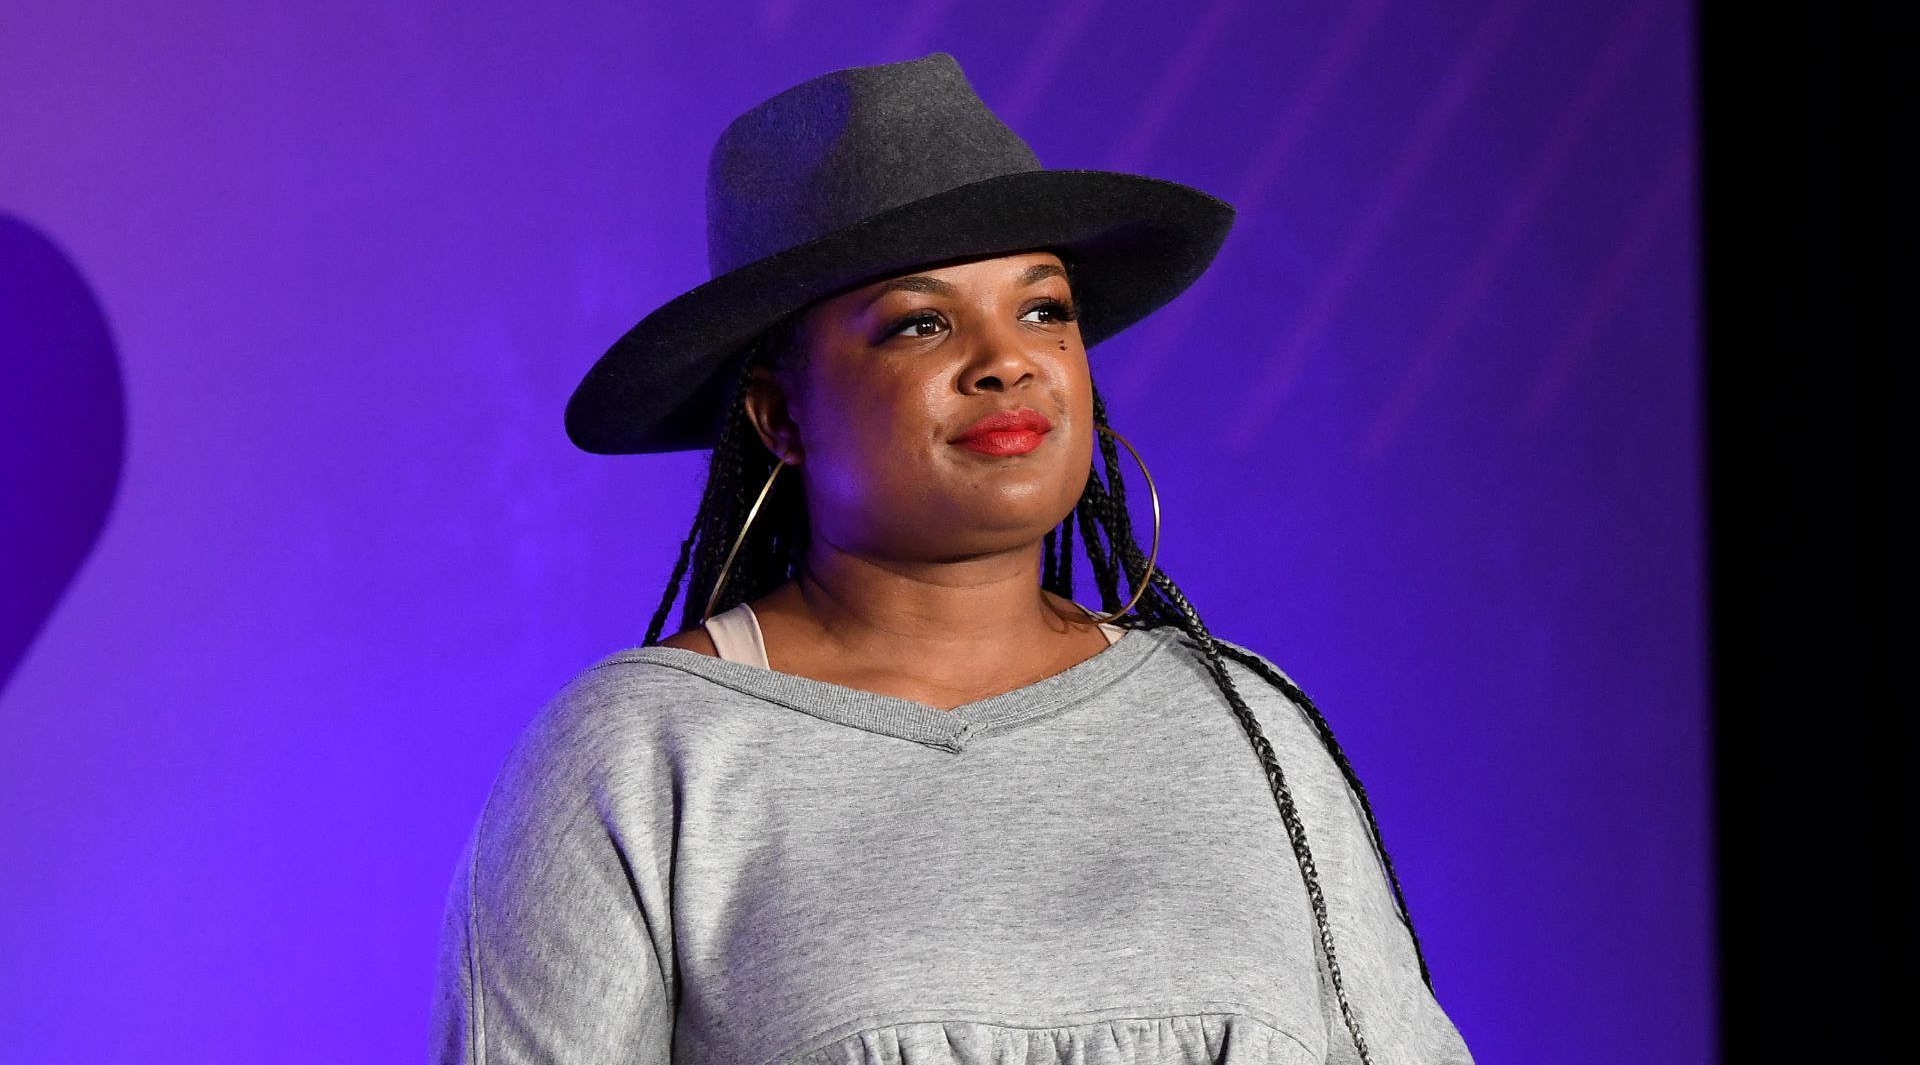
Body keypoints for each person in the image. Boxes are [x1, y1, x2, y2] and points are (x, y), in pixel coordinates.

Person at [431, 52, 1474, 1065]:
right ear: (780, 415)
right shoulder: (633, 760)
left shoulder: (1249, 728)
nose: (1007, 361)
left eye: (1044, 310)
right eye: (921, 323)